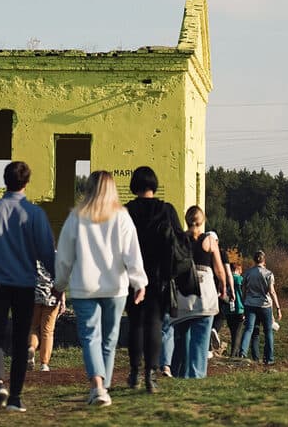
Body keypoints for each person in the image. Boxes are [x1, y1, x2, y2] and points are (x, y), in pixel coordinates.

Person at [54, 171, 147, 408]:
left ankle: (97, 386)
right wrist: (139, 281)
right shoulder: (122, 217)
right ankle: (102, 388)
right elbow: (132, 253)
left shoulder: (76, 217)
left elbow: (64, 257)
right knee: (109, 339)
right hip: (116, 287)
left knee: (90, 337)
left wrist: (59, 285)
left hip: (85, 287)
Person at [0, 161, 56, 412]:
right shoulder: (35, 214)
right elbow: (46, 252)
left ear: (5, 180)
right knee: (22, 338)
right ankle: (15, 397)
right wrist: (59, 282)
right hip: (25, 284)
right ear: (27, 182)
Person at [124, 166, 183, 392]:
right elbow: (179, 241)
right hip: (160, 277)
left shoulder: (126, 211)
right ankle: (151, 374)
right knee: (155, 325)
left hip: (132, 276)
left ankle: (134, 373)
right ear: (154, 183)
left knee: (136, 324)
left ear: (134, 185)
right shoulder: (166, 210)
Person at [171, 206, 226, 379]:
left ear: (186, 220)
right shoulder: (209, 240)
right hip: (205, 295)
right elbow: (219, 270)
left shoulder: (178, 239)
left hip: (183, 294)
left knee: (181, 339)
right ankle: (196, 375)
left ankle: (179, 373)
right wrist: (224, 286)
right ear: (203, 221)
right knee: (200, 341)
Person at [239, 250, 282, 365]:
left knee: (250, 330)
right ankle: (269, 358)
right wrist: (278, 307)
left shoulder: (247, 273)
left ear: (254, 260)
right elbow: (272, 291)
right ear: (264, 260)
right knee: (268, 332)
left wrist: (244, 303)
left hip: (250, 304)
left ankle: (245, 354)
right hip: (264, 305)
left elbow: (243, 290)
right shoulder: (268, 274)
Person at [28, 260, 64, 372]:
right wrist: (62, 299)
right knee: (47, 331)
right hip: (52, 296)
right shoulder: (55, 255)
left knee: (33, 327)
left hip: (34, 295)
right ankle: (44, 364)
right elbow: (61, 278)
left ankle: (31, 347)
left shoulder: (31, 254)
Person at [226, 263, 245, 357]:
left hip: (228, 309)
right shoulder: (240, 279)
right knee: (238, 332)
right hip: (239, 308)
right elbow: (244, 294)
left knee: (233, 332)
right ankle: (234, 354)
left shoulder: (226, 279)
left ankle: (235, 352)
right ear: (238, 269)